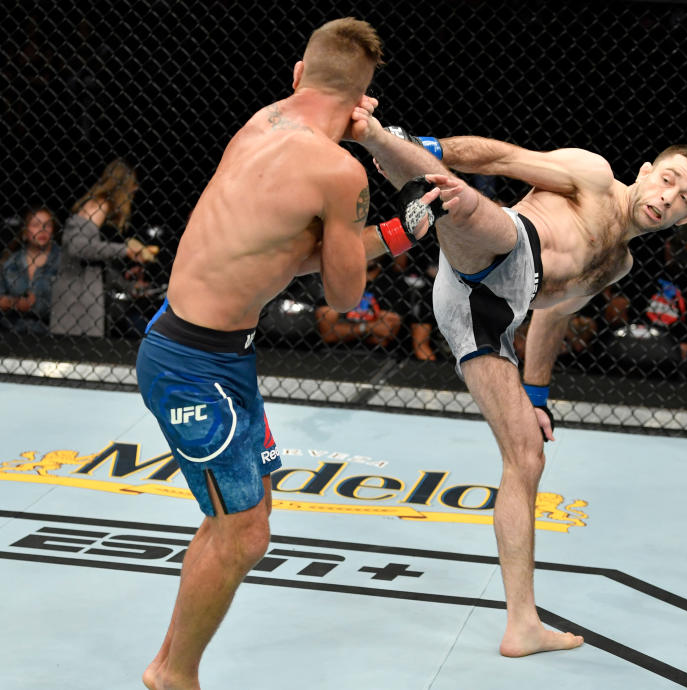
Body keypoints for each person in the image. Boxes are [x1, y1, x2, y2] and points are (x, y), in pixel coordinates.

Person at [351, 114, 687, 657]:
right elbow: (500, 158)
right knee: (472, 207)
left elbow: (553, 317)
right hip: (503, 246)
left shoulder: (618, 263)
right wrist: (434, 146)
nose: (669, 197)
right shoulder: (591, 176)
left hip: (478, 315)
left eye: (685, 196)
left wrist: (538, 397)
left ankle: (521, 624)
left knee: (525, 458)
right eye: (667, 179)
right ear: (645, 172)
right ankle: (377, 137)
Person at [134, 18, 425, 690]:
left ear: (298, 74)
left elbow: (283, 254)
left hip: (221, 354)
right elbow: (343, 290)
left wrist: (381, 224)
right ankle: (172, 673)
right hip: (190, 366)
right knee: (240, 532)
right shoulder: (338, 170)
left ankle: (171, 664)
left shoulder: (262, 120)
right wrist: (398, 229)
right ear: (360, 104)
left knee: (247, 522)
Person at [50, 158, 158, 336]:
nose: (135, 188)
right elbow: (79, 248)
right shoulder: (99, 206)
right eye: (133, 183)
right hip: (77, 300)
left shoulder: (99, 208)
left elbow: (96, 266)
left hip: (79, 297)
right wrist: (125, 250)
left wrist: (128, 286)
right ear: (122, 184)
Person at [0, 205, 61, 333]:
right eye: (36, 225)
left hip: (51, 333)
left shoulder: (62, 261)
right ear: (25, 231)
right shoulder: (11, 262)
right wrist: (13, 303)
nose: (42, 230)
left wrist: (35, 306)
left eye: (47, 225)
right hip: (13, 332)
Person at [315, 256, 403, 350]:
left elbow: (385, 334)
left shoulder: (393, 283)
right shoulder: (334, 279)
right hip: (332, 352)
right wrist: (370, 327)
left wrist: (344, 330)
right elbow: (328, 334)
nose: (367, 253)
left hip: (377, 355)